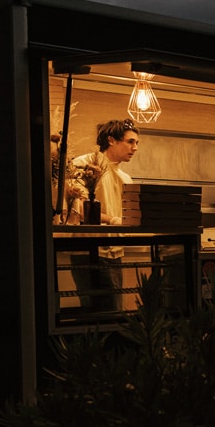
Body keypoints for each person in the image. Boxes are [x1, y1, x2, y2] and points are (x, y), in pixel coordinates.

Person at [68, 119, 140, 311]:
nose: (135, 147)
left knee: (113, 311)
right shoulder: (84, 164)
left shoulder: (125, 178)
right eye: (130, 141)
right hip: (87, 250)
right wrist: (112, 220)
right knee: (95, 312)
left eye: (137, 143)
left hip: (114, 251)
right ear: (111, 140)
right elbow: (79, 208)